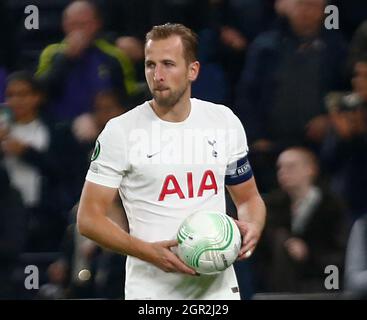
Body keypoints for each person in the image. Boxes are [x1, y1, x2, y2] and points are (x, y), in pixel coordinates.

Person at [77, 23, 266, 300]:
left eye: (168, 64)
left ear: (193, 70)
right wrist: (147, 252)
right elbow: (89, 219)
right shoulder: (121, 131)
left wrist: (253, 228)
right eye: (150, 65)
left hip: (218, 291)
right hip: (153, 292)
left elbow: (248, 198)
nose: (158, 75)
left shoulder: (223, 121)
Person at [257, 147, 348, 293]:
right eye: (280, 167)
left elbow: (339, 252)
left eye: (291, 166)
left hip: (323, 281)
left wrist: (309, 253)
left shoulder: (332, 206)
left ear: (310, 169)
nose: (283, 172)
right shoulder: (271, 205)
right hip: (280, 285)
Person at [36, 0, 138, 122]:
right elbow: (39, 92)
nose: (78, 31)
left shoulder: (115, 56)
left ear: (97, 24)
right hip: (59, 128)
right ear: (64, 25)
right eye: (72, 24)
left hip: (103, 127)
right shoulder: (51, 53)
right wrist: (65, 58)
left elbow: (129, 99)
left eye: (83, 24)